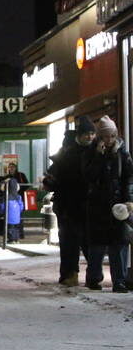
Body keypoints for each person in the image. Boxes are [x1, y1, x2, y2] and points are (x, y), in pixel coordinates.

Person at [81, 116, 133, 292]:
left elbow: (128, 179)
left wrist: (129, 200)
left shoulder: (123, 154)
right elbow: (89, 176)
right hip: (97, 206)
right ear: (100, 137)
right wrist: (98, 156)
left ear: (116, 134)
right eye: (105, 136)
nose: (109, 140)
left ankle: (119, 280)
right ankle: (94, 279)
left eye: (112, 136)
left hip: (118, 207)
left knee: (119, 244)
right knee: (97, 245)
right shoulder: (92, 153)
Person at [43, 117, 95, 286]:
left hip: (89, 205)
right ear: (79, 135)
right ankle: (69, 275)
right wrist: (49, 182)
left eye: (92, 133)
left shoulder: (97, 151)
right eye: (87, 134)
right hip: (68, 205)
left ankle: (93, 275)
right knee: (69, 242)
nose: (90, 137)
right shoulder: (66, 153)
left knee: (90, 242)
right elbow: (53, 176)